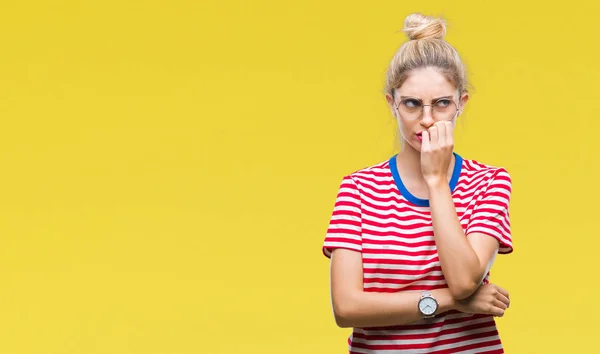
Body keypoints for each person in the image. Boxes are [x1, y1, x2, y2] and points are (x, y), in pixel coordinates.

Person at [322, 13, 514, 354]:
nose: (426, 120)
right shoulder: (358, 188)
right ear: (392, 103)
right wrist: (453, 303)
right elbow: (346, 308)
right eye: (411, 103)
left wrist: (437, 179)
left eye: (442, 104)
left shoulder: (489, 182)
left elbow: (464, 280)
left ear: (461, 105)